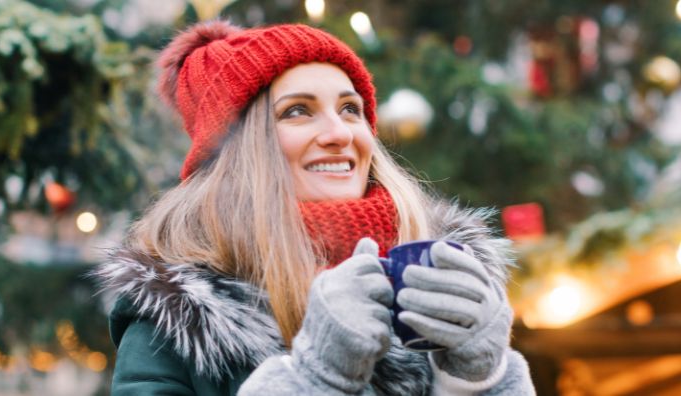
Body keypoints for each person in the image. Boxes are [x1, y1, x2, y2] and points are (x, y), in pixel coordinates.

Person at [95, 20, 535, 395]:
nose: (339, 133)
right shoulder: (176, 320)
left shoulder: (438, 273)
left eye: (350, 109)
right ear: (239, 152)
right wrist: (314, 376)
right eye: (297, 112)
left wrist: (482, 378)